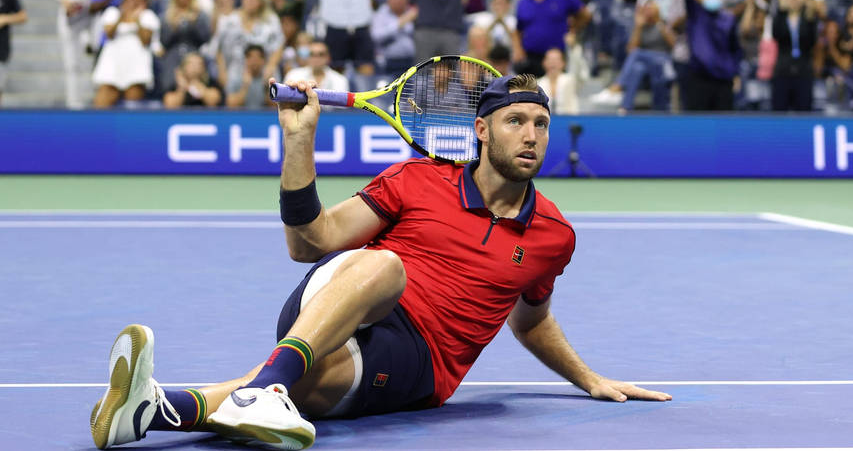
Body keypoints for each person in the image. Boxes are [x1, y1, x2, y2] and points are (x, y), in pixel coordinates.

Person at [88, 72, 672, 450]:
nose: (531, 135)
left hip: (420, 363)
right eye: (516, 121)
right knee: (385, 266)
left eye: (541, 125)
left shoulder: (553, 235)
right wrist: (299, 144)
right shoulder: (417, 181)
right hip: (346, 293)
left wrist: (588, 378)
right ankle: (265, 389)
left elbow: (533, 319)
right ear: (480, 129)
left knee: (306, 386)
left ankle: (154, 411)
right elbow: (308, 245)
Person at [592, 0, 675, 113]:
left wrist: (660, 24)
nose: (648, 12)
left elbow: (673, 45)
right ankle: (625, 108)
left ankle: (617, 86)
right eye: (646, 9)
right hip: (646, 64)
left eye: (651, 9)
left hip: (663, 60)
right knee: (637, 68)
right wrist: (638, 27)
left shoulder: (663, 23)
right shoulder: (639, 26)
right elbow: (631, 49)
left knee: (637, 54)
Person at [513, 0, 590, 77]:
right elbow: (518, 30)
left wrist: (573, 30)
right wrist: (518, 49)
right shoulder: (523, 2)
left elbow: (585, 14)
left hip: (557, 58)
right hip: (530, 58)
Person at [681, 0, 742, 112]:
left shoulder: (729, 19)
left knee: (724, 126)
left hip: (724, 80)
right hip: (699, 79)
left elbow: (735, 49)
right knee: (697, 126)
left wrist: (736, 73)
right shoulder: (695, 14)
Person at [52, 0, 105, 108]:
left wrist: (90, 1)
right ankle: (73, 101)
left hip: (89, 14)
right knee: (71, 60)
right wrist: (66, 1)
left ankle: (92, 98)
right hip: (69, 14)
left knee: (90, 55)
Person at [92, 0, 159, 107]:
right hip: (112, 62)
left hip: (136, 63)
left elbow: (145, 40)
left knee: (132, 104)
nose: (132, 0)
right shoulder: (112, 13)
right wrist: (122, 15)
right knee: (102, 101)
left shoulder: (148, 16)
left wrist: (138, 19)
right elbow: (109, 34)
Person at [210, 0, 284, 95]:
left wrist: (271, 66)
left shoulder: (271, 20)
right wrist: (222, 71)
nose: (249, 1)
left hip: (263, 68)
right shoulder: (229, 20)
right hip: (236, 67)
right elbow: (218, 48)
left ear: (261, 2)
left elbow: (279, 45)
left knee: (272, 82)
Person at [770, 0, 819, 112]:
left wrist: (810, 14)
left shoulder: (809, 17)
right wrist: (781, 10)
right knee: (779, 110)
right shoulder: (780, 16)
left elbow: (812, 40)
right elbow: (776, 35)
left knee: (804, 109)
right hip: (783, 69)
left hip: (804, 69)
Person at [159, 0, 212, 93]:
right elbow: (164, 41)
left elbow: (205, 38)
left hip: (194, 55)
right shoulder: (167, 15)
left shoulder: (200, 14)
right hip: (172, 57)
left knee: (197, 88)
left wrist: (193, 23)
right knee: (171, 88)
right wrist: (174, 26)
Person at [370, 0, 417, 77]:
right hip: (387, 63)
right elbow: (376, 36)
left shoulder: (413, 13)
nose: (399, 1)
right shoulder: (381, 13)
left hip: (411, 62)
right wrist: (399, 24)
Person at [283, 39, 350, 92]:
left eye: (321, 54)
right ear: (307, 57)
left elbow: (342, 108)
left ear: (328, 57)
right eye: (312, 54)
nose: (316, 59)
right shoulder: (293, 76)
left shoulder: (340, 80)